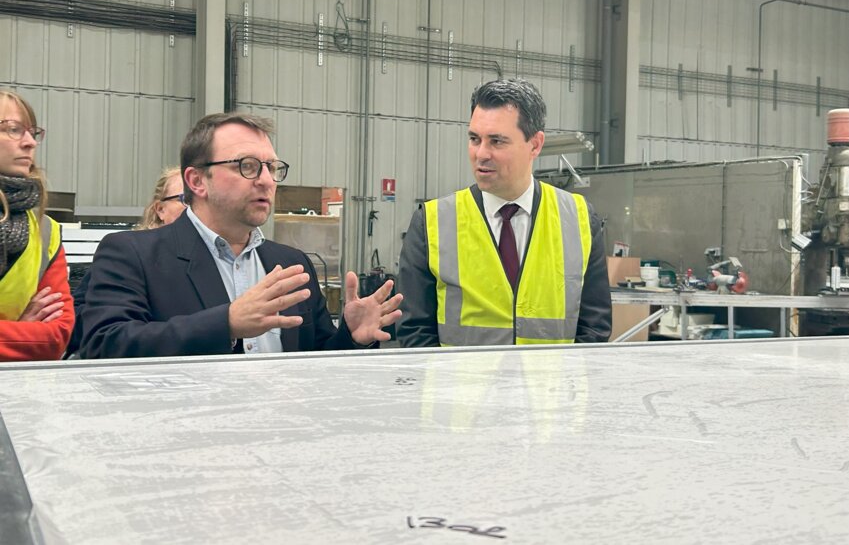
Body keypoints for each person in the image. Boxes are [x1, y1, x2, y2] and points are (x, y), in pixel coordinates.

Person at [79, 112, 402, 358]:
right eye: (247, 166)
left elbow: (314, 361)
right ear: (197, 181)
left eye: (271, 167)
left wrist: (351, 336)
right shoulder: (133, 254)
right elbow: (105, 345)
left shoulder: (290, 264)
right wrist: (226, 323)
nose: (266, 180)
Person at [397, 78, 611, 347]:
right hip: (460, 389)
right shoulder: (432, 222)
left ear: (535, 145)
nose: (481, 154)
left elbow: (594, 327)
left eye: (497, 141)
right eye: (475, 139)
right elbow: (414, 331)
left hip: (550, 389)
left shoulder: (577, 219)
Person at [64, 167, 186, 358]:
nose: (195, 208)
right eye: (185, 199)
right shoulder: (126, 254)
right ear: (160, 209)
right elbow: (82, 320)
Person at [0, 90, 74, 360]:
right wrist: (22, 331)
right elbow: (38, 341)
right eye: (13, 129)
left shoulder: (45, 231)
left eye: (32, 132)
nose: (30, 143)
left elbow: (56, 337)